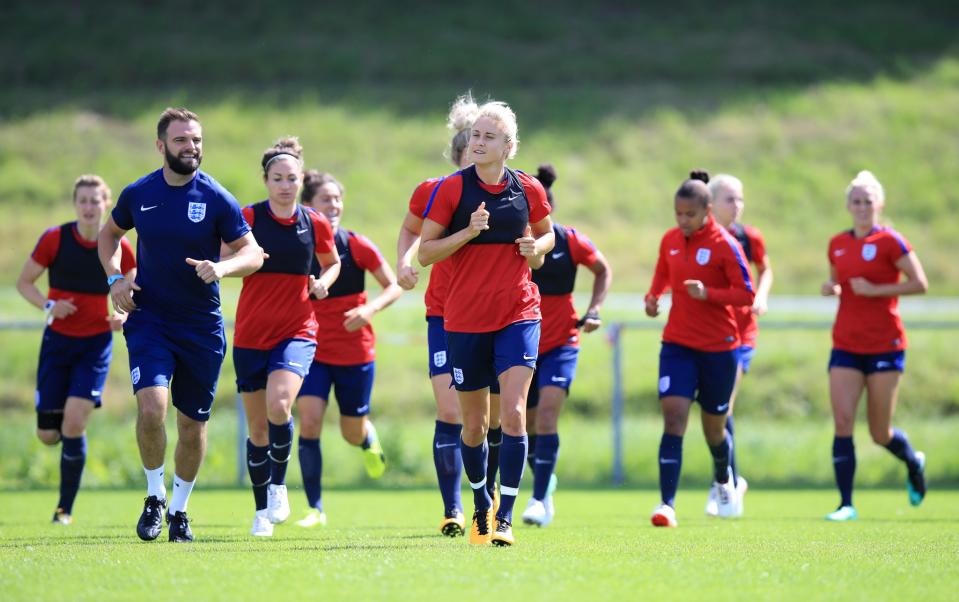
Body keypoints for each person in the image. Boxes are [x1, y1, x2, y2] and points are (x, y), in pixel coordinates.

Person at [98, 107, 265, 543]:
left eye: (196, 140)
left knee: (192, 426)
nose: (191, 147)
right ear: (160, 146)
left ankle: (179, 509)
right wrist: (115, 278)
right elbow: (108, 235)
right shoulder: (139, 193)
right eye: (181, 140)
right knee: (152, 407)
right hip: (150, 319)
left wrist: (221, 268)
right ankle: (154, 497)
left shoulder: (216, 197)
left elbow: (253, 253)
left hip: (201, 328)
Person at [419, 95, 554, 546]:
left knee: (514, 414)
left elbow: (548, 232)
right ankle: (480, 506)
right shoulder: (452, 190)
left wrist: (538, 247)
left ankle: (506, 518)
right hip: (464, 320)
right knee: (474, 426)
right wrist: (469, 231)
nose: (477, 142)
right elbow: (424, 252)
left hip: (518, 314)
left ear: (508, 146)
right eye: (475, 134)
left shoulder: (528, 189)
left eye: (488, 137)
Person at [232, 139, 340, 537]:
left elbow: (332, 263)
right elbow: (226, 255)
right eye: (277, 178)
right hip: (250, 335)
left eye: (291, 178)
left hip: (297, 331)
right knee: (258, 431)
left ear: (300, 180)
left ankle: (279, 485)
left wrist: (324, 283)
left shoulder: (315, 222)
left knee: (280, 406)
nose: (284, 185)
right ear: (265, 180)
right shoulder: (247, 219)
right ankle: (261, 511)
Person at [16, 175, 136, 525]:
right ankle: (67, 444)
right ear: (75, 204)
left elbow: (134, 285)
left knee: (73, 421)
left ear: (106, 204)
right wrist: (48, 306)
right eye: (82, 200)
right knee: (48, 434)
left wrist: (122, 314)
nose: (88, 207)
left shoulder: (116, 245)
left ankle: (64, 509)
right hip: (57, 345)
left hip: (95, 347)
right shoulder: (55, 239)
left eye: (95, 200)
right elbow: (24, 282)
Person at [645, 170, 754, 528]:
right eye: (677, 214)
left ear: (707, 210)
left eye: (689, 214)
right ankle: (667, 506)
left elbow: (746, 294)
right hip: (677, 344)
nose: (682, 220)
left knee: (714, 430)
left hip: (720, 350)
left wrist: (709, 294)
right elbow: (662, 274)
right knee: (674, 417)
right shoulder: (670, 240)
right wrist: (653, 297)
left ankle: (725, 480)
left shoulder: (725, 244)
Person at [295, 171, 402, 528]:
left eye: (338, 199)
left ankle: (367, 437)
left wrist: (369, 309)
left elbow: (394, 286)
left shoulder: (355, 245)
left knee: (349, 431)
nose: (335, 205)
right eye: (326, 200)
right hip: (310, 349)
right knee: (308, 422)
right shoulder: (296, 244)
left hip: (355, 352)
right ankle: (315, 509)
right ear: (307, 205)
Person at [821, 170, 928, 522]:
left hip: (885, 345)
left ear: (878, 204)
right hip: (846, 344)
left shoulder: (891, 242)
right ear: (848, 206)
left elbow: (919, 284)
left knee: (879, 432)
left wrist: (876, 290)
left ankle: (912, 460)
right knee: (842, 420)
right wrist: (832, 288)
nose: (863, 207)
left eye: (868, 201)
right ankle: (845, 504)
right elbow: (839, 282)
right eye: (856, 201)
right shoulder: (837, 243)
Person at [395, 96, 476, 537]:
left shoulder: (508, 189)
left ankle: (491, 500)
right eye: (470, 158)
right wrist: (403, 261)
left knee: (491, 417)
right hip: (443, 313)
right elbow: (410, 228)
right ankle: (453, 509)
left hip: (491, 316)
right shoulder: (433, 190)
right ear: (458, 156)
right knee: (450, 409)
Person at [519, 164, 612, 528]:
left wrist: (594, 310)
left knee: (546, 417)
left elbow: (602, 269)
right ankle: (546, 483)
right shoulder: (510, 246)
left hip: (561, 344)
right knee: (523, 427)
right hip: (521, 343)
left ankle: (539, 499)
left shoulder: (569, 240)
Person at [702, 174, 773, 516]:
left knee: (723, 408)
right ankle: (730, 479)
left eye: (740, 199)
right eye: (730, 199)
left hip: (740, 336)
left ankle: (727, 481)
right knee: (713, 410)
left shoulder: (749, 237)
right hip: (708, 335)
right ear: (711, 203)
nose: (738, 206)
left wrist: (761, 295)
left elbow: (766, 270)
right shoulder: (702, 238)